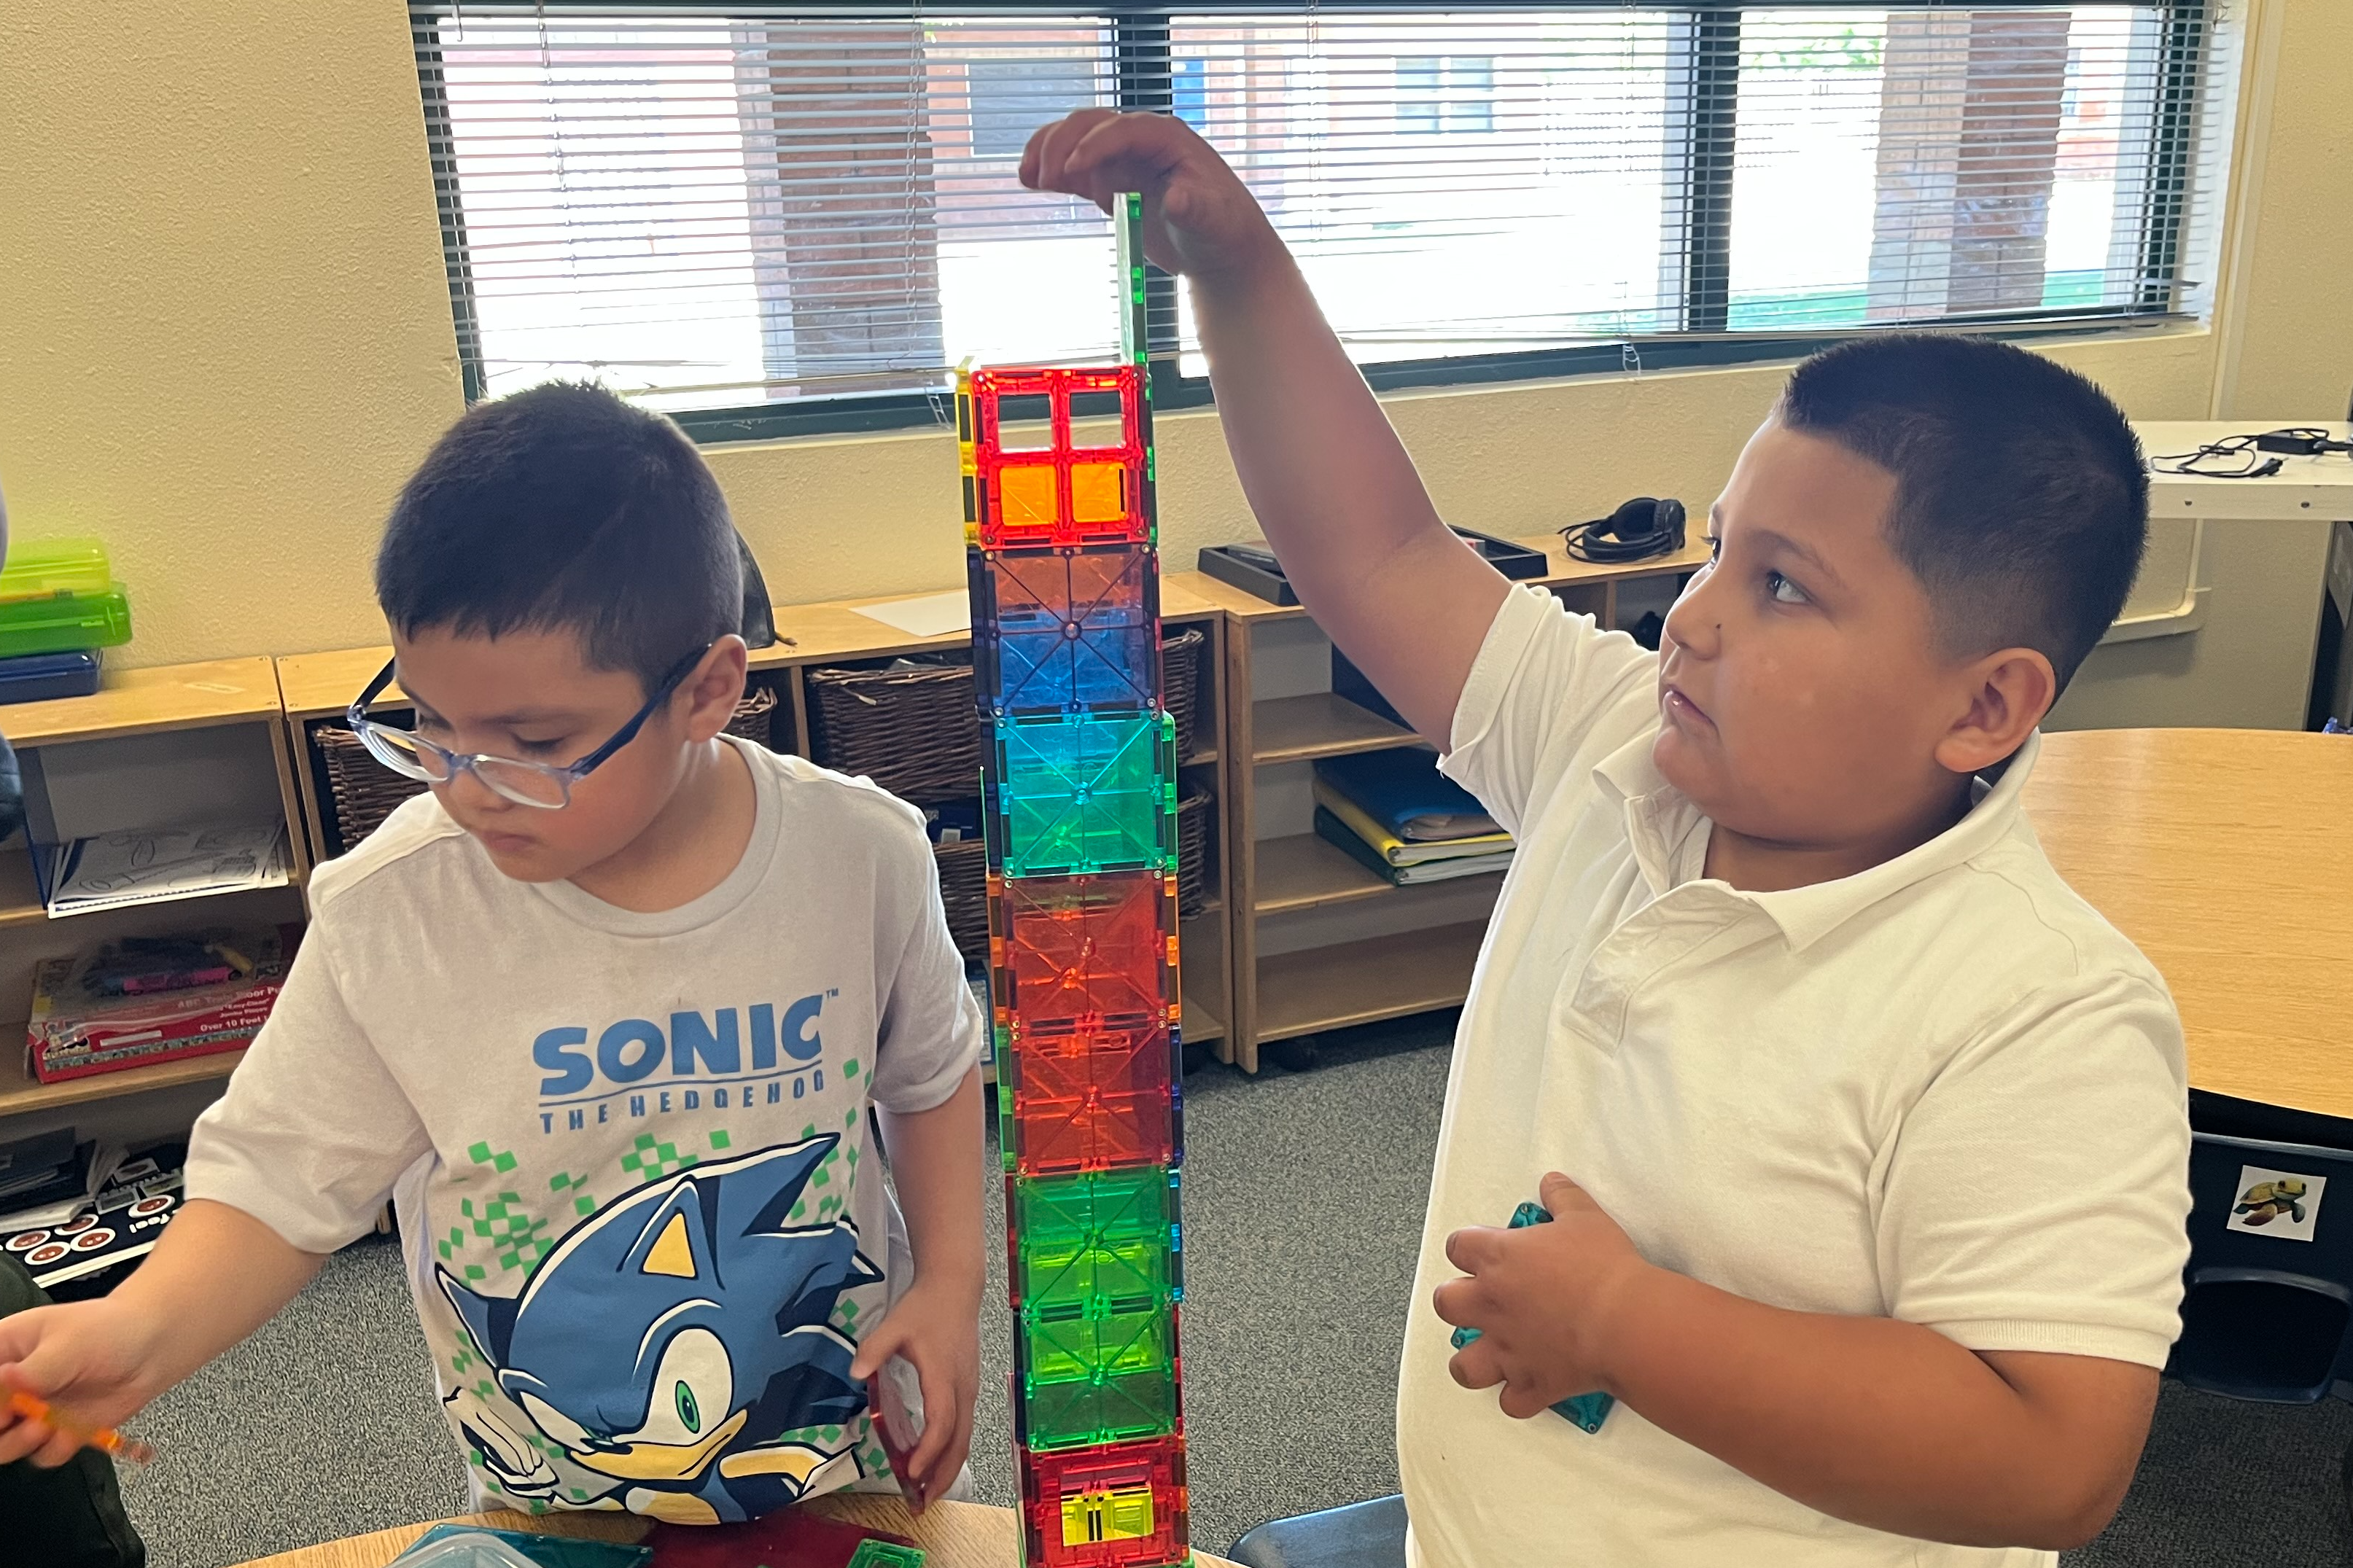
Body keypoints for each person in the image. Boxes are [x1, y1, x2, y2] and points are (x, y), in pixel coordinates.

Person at [1022, 111, 2188, 1567]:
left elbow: (2047, 1453)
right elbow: (1376, 553)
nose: (1688, 614)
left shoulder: (2035, 1008)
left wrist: (1623, 1324)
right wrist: (1237, 266)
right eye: (1713, 549)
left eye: (1780, 587)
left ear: (1983, 706)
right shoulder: (1614, 742)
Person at [0, 384, 987, 1526]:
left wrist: (950, 1281)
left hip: (845, 1451)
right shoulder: (395, 907)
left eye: (535, 744)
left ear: (708, 689)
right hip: (551, 1485)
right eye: (429, 720)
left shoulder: (860, 853)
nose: (465, 788)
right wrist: (134, 1329)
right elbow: (276, 1182)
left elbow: (928, 1072)